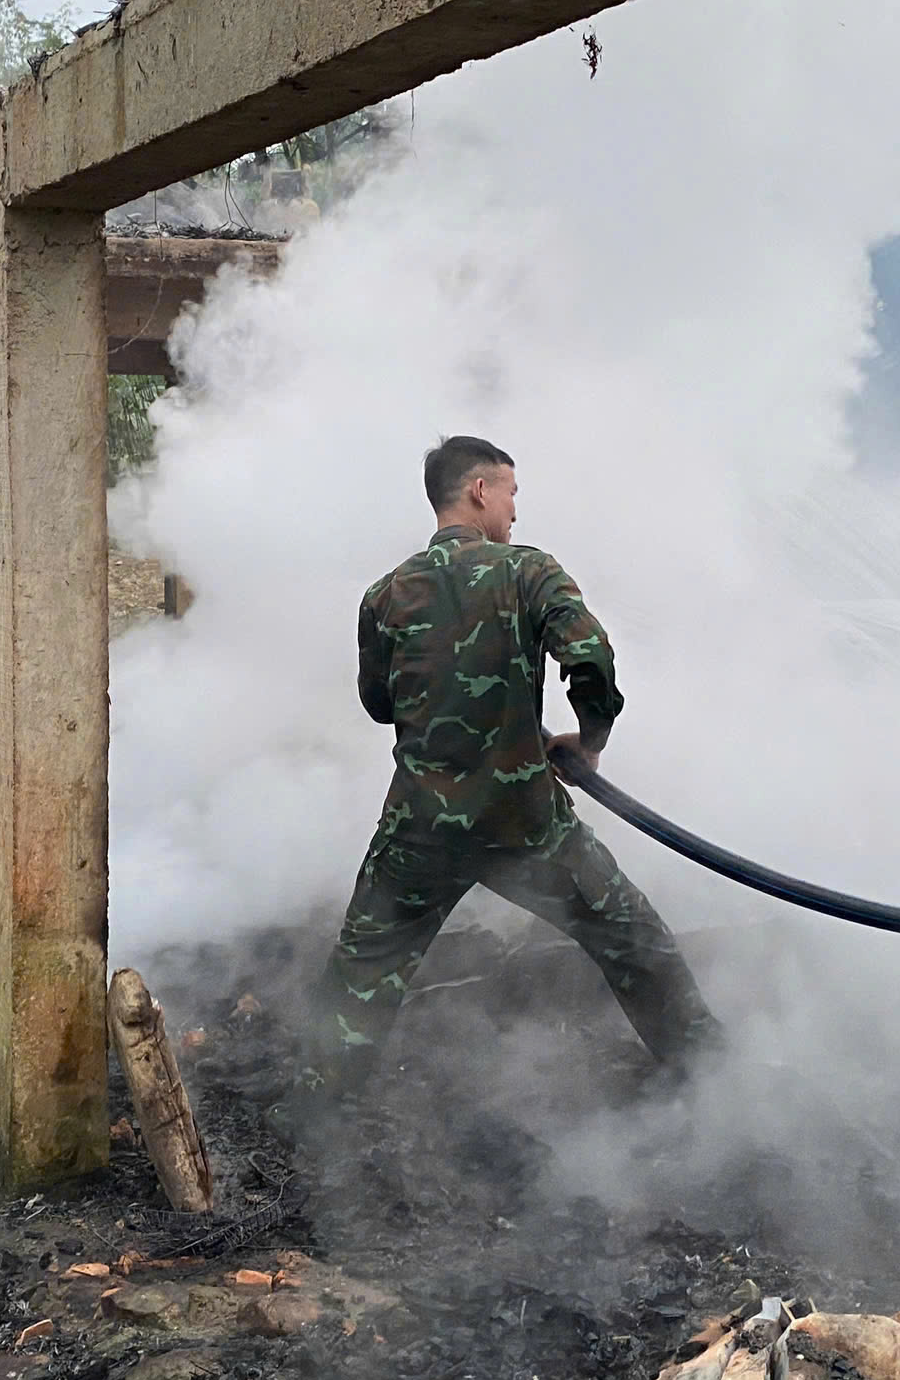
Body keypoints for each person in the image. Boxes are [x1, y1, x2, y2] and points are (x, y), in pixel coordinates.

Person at [301, 435, 725, 1100]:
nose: (515, 511)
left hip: (420, 829)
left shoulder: (385, 596)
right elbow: (589, 656)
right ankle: (709, 1075)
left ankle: (318, 1105)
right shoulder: (527, 570)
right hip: (526, 824)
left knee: (362, 970)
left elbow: (379, 705)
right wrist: (590, 741)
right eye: (511, 492)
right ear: (479, 490)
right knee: (631, 939)